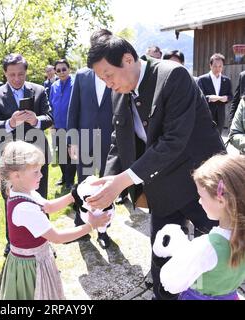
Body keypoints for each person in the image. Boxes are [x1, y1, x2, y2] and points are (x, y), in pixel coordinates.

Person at [85, 29, 225, 300]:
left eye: (109, 76)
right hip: (161, 186)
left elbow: (174, 141)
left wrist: (123, 181)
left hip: (201, 184)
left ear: (128, 59)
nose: (108, 84)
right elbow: (119, 140)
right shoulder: (119, 93)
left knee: (224, 249)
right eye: (102, 80)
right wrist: (105, 185)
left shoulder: (172, 76)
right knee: (163, 255)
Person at [0, 140, 110, 300]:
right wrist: (91, 225)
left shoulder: (23, 191)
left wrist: (74, 195)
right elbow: (57, 237)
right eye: (36, 172)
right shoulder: (25, 208)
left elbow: (49, 206)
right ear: (16, 175)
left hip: (36, 259)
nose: (42, 175)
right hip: (32, 267)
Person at [0, 53, 53, 256]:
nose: (17, 79)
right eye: (12, 75)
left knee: (40, 198)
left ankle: (45, 239)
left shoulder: (40, 90)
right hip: (12, 159)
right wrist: (10, 123)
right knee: (12, 201)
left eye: (21, 74)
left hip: (36, 157)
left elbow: (49, 117)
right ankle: (13, 242)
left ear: (26, 72)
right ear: (5, 74)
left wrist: (36, 120)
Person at [156, 154, 245, 300]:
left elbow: (172, 282)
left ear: (221, 200)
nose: (199, 201)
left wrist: (178, 256)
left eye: (202, 196)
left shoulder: (206, 247)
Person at [66, 67, 114, 248]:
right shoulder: (81, 75)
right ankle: (80, 225)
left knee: (105, 186)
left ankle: (103, 231)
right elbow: (73, 110)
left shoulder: (115, 72)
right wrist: (71, 141)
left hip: (109, 139)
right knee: (83, 185)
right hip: (84, 139)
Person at [49, 59, 76, 189]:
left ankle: (70, 181)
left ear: (69, 69)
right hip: (57, 125)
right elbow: (51, 105)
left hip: (71, 126)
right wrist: (52, 123)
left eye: (64, 69)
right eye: (58, 70)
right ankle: (64, 177)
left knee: (72, 154)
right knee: (61, 154)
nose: (61, 72)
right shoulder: (54, 86)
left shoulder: (75, 83)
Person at [197, 53, 233, 134]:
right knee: (205, 137)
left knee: (218, 138)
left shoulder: (226, 80)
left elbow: (231, 96)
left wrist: (226, 98)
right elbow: (198, 97)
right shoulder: (202, 79)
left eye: (220, 66)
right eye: (215, 66)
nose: (218, 68)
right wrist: (209, 98)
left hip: (220, 115)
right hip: (206, 114)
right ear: (210, 65)